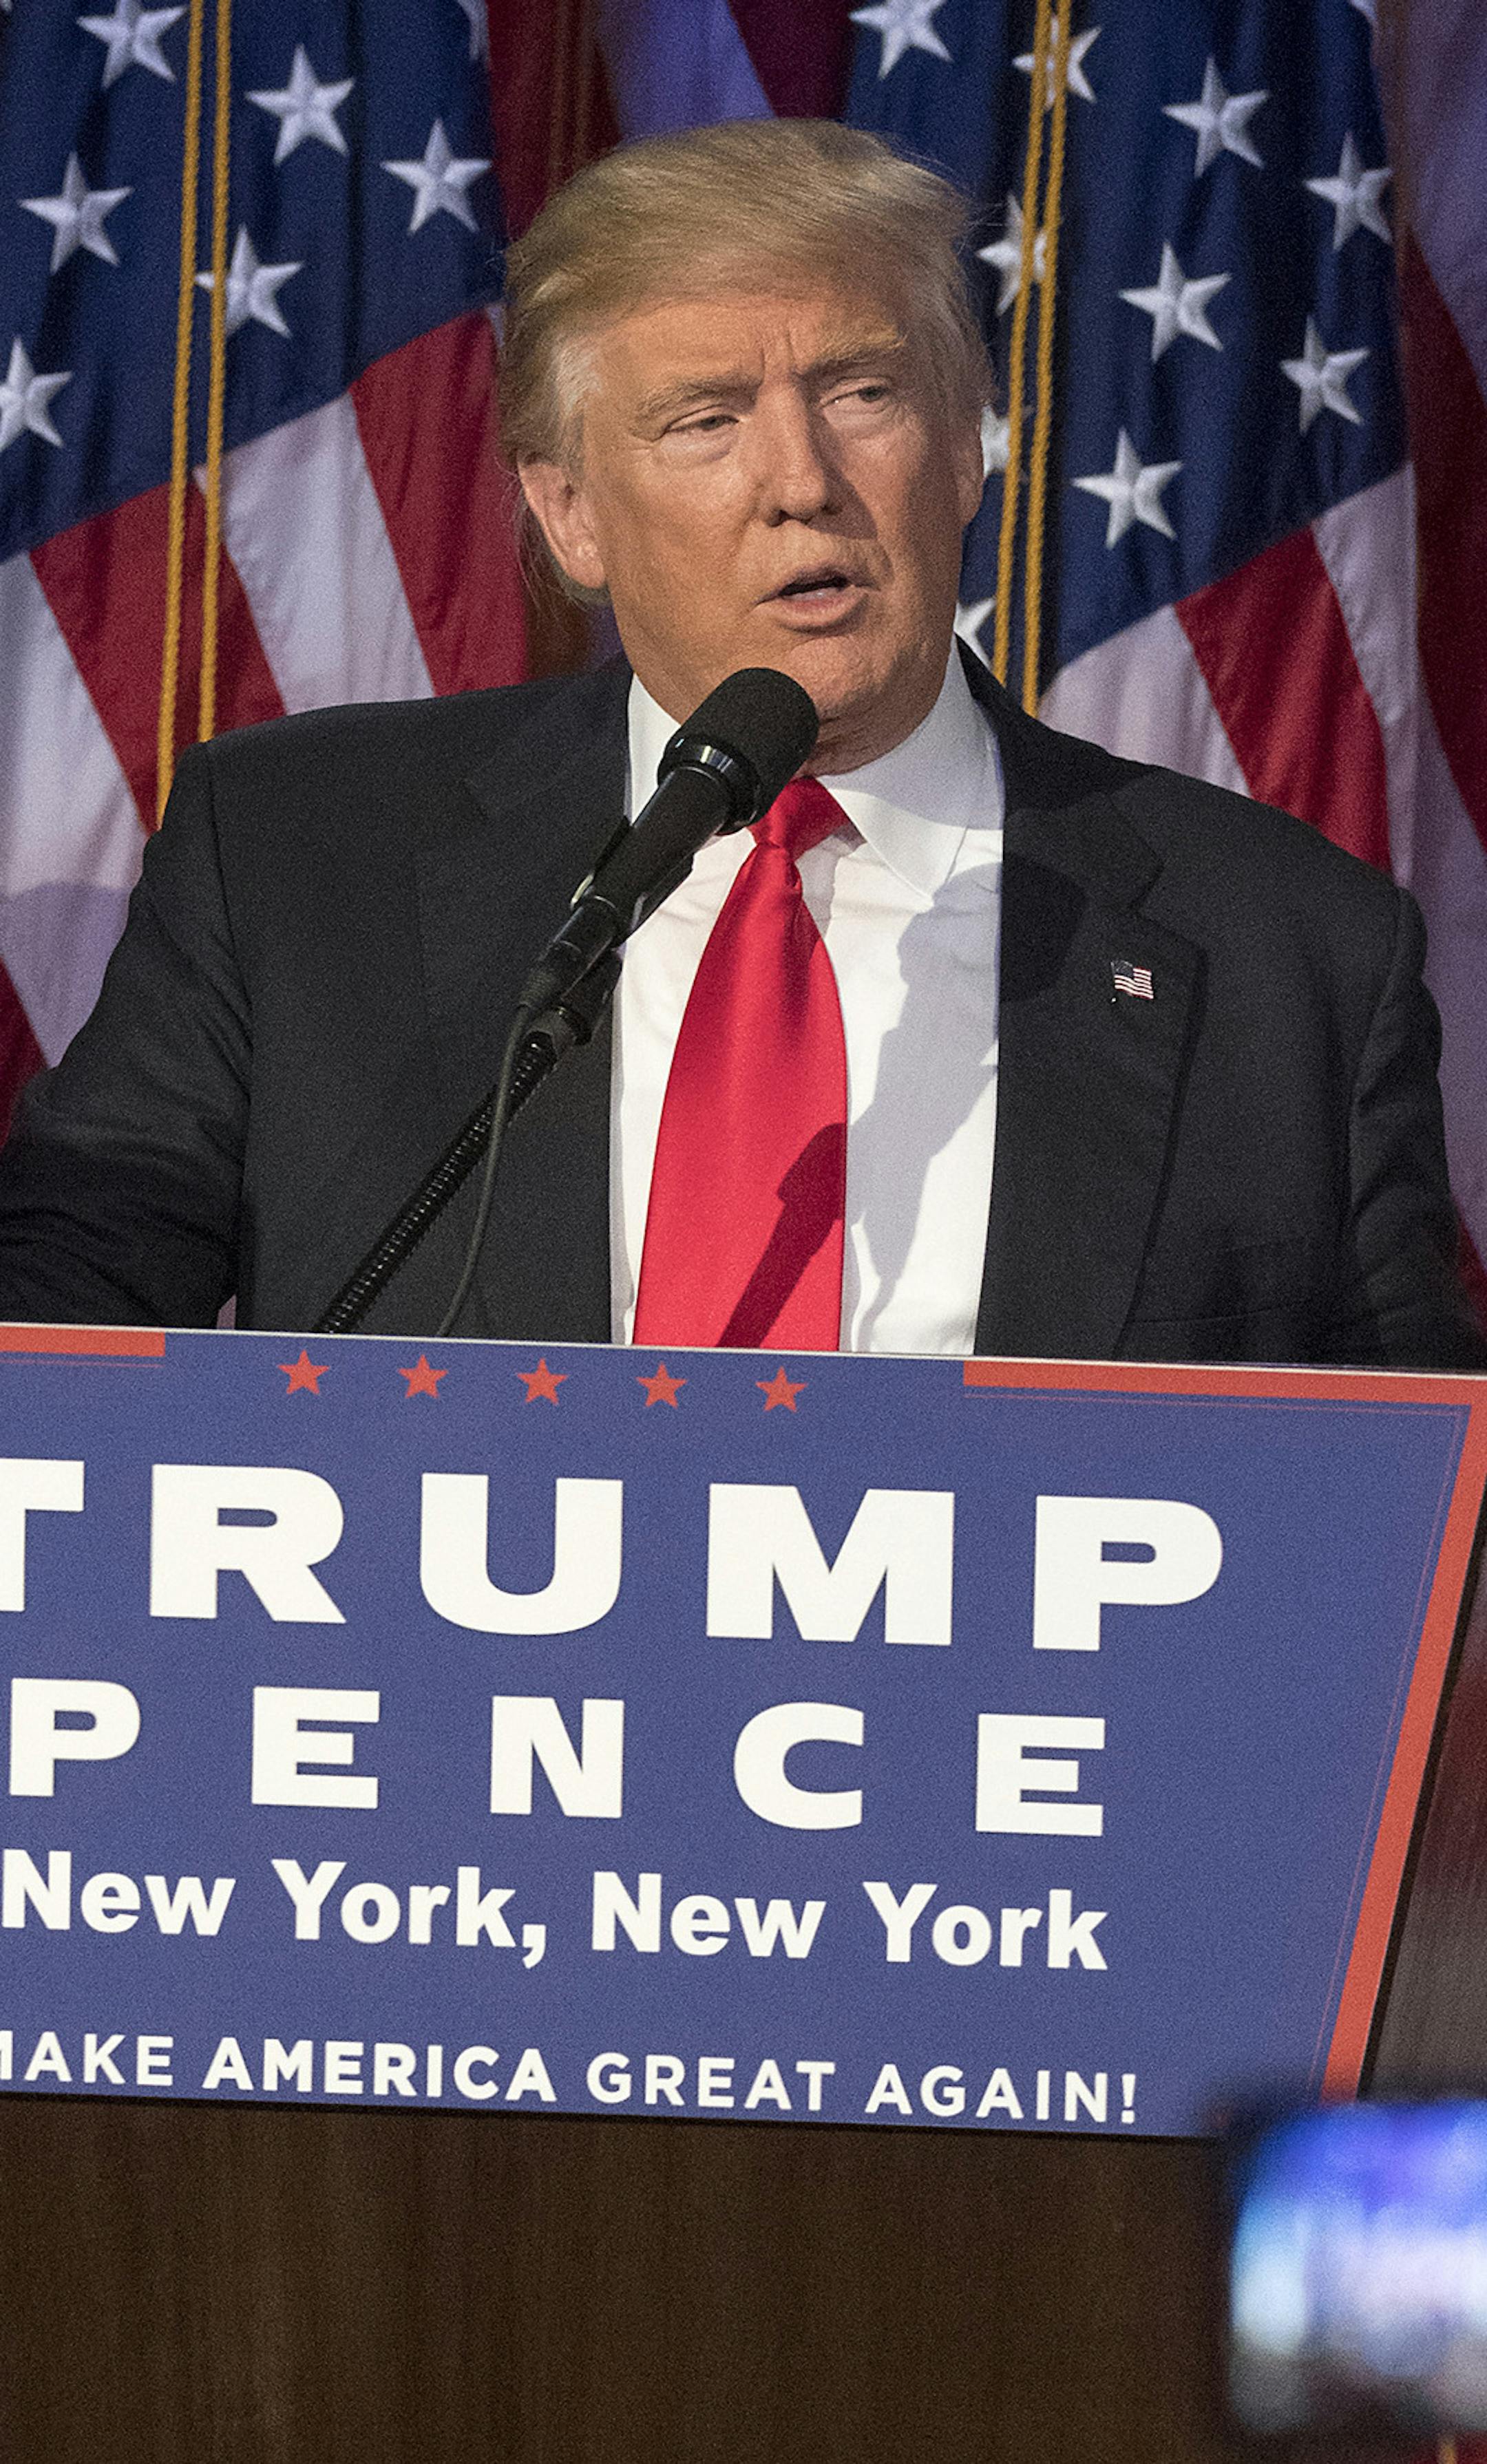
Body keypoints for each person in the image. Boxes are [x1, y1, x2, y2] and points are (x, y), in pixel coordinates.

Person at [0, 116, 1479, 1370]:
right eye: (705, 421)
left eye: (862, 392)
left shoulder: (1295, 955)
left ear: (967, 445)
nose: (801, 481)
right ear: (569, 512)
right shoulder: (297, 857)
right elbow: (59, 1310)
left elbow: (1409, 1529)